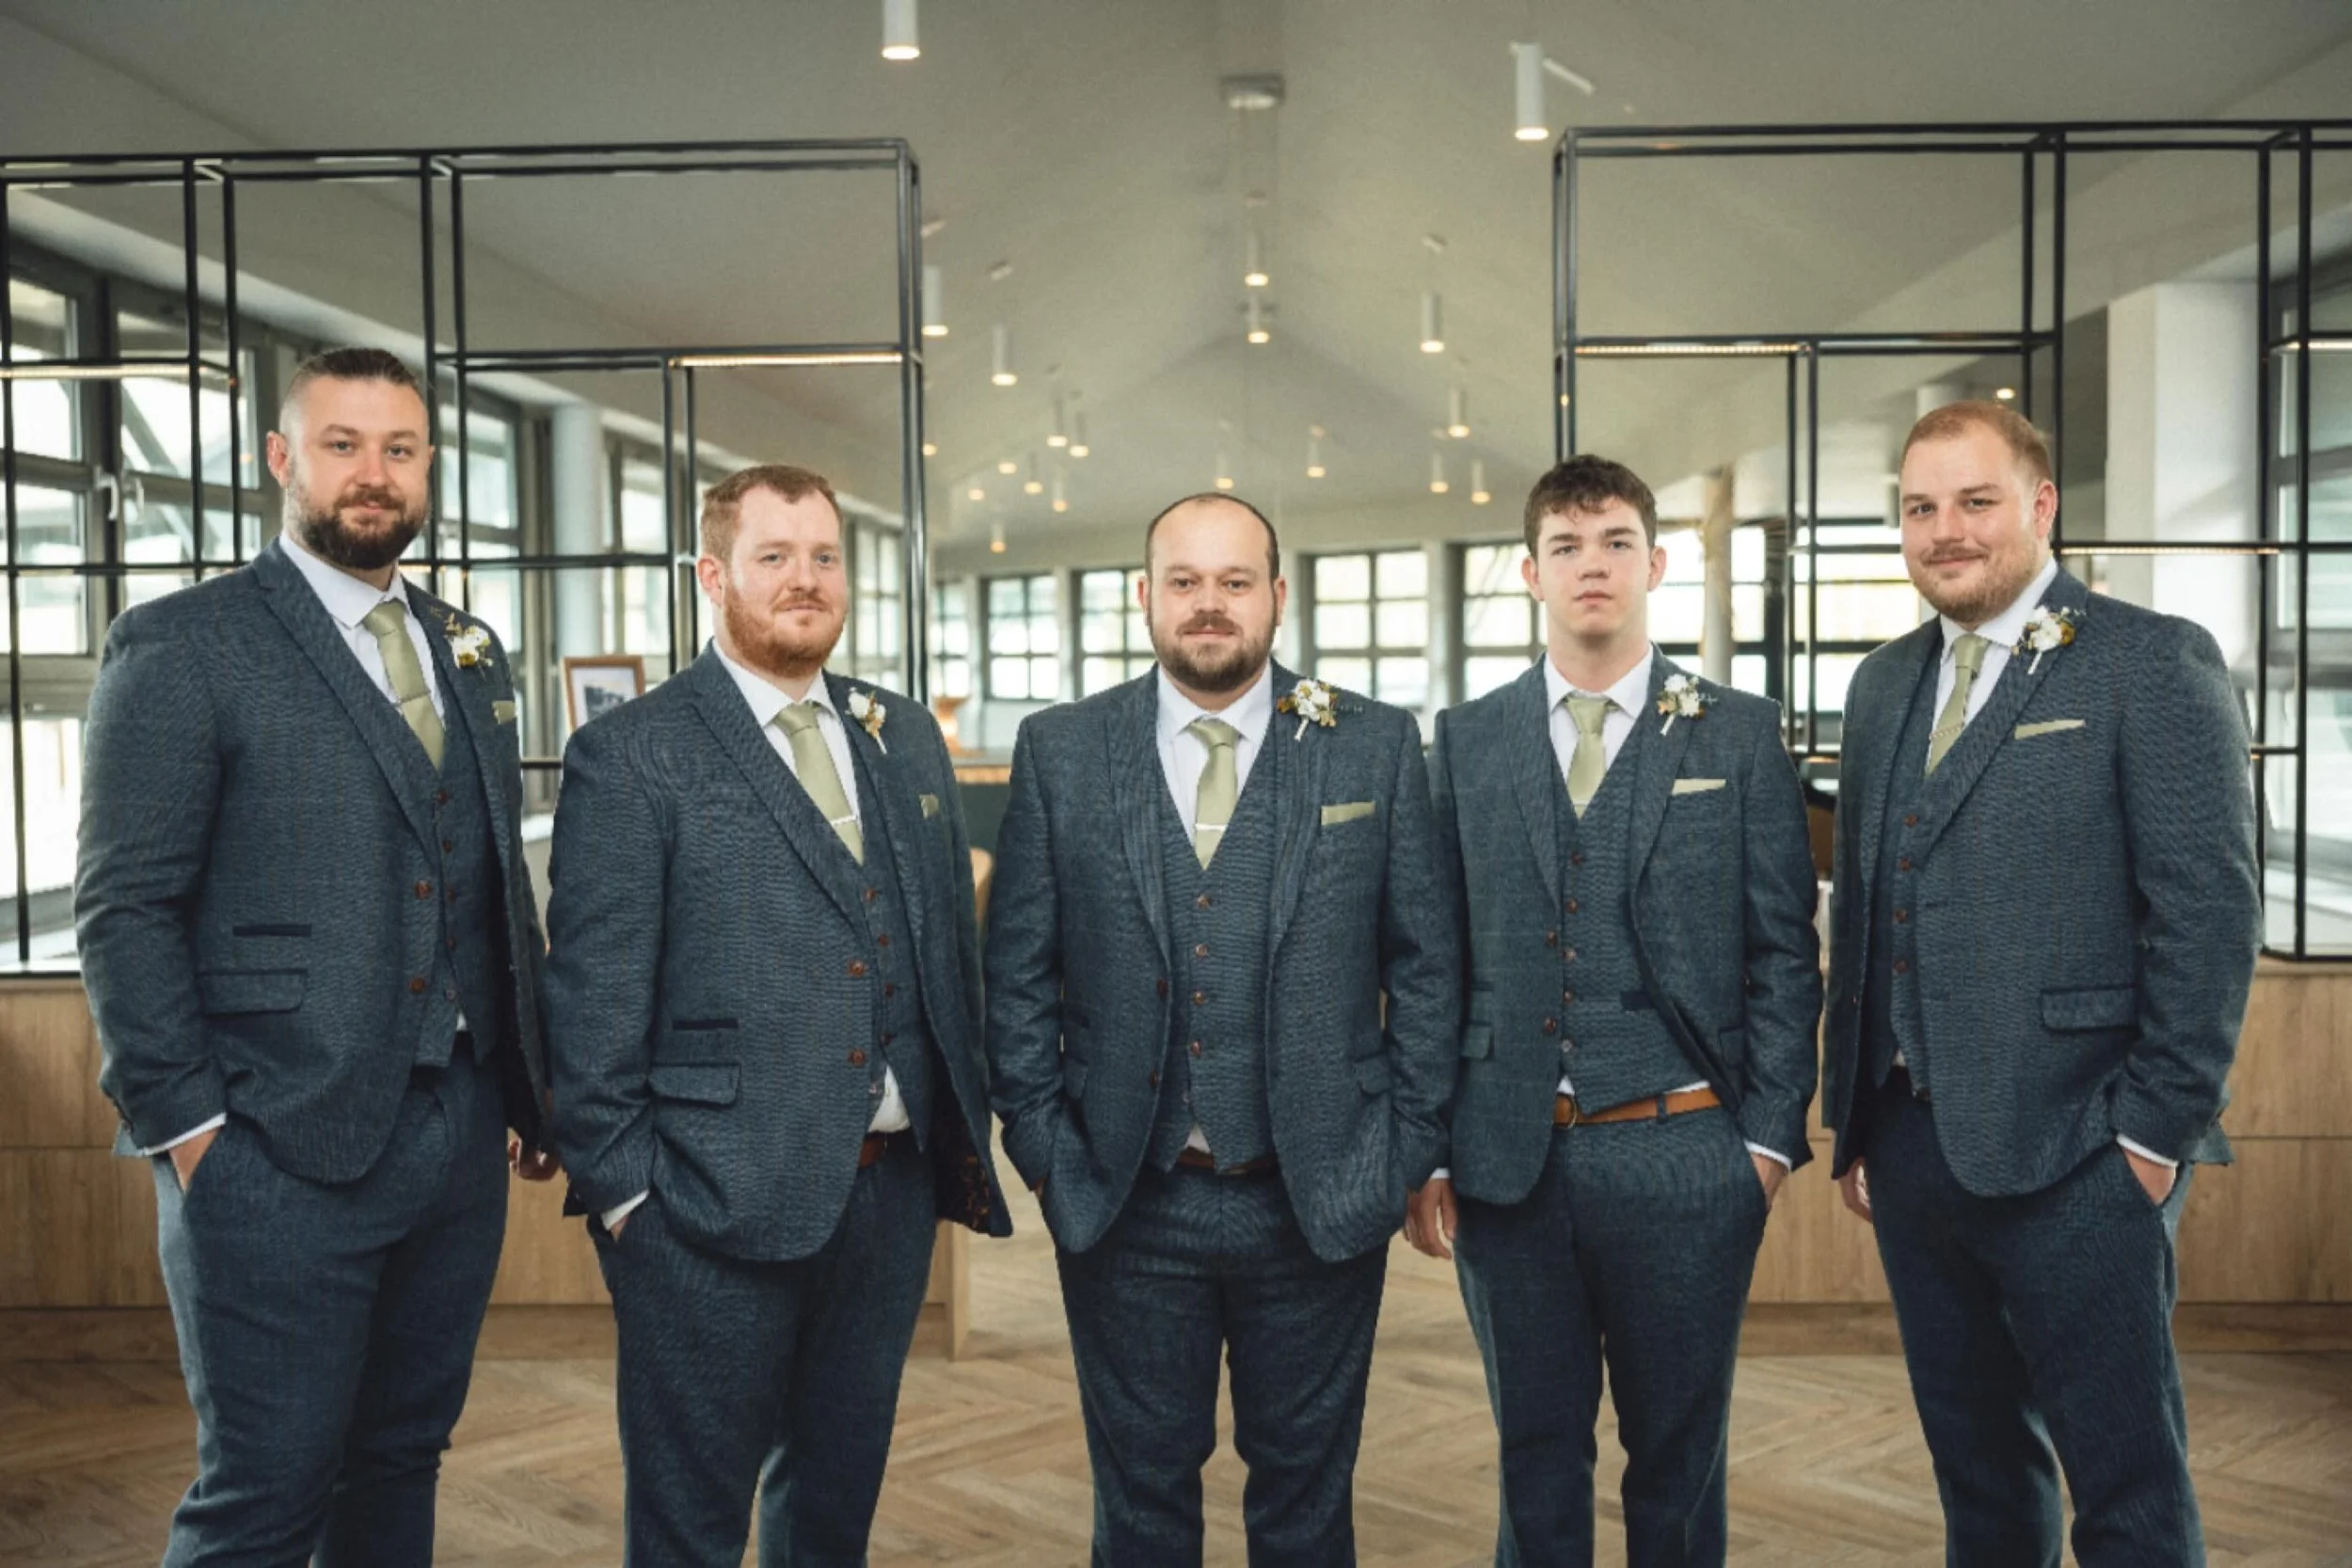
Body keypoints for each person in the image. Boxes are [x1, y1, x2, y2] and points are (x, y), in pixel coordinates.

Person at [76, 346, 559, 1565]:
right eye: (341, 444)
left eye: (399, 448)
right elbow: (123, 908)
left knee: (399, 1462)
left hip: (455, 1139)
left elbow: (491, 874)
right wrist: (192, 1132)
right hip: (271, 1147)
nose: (372, 474)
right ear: (282, 459)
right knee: (262, 1495)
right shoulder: (182, 644)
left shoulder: (472, 647)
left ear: (429, 467)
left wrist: (521, 1077)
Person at [543, 462, 1009, 1567]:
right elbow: (592, 998)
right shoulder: (635, 750)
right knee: (690, 1523)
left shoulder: (901, 731)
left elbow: (945, 944)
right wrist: (628, 1202)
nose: (805, 580)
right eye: (773, 556)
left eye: (824, 557)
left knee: (832, 1505)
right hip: (702, 1211)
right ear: (713, 574)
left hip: (887, 1198)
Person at [1822, 401, 2259, 1567]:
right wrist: (1856, 1117)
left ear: (2041, 505)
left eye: (1974, 500)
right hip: (1913, 1150)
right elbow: (1867, 908)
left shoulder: (2149, 660)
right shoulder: (1880, 686)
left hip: (2083, 1149)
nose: (1944, 530)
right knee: (1978, 1476)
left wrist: (2152, 1136)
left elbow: (2208, 913)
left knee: (2124, 1488)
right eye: (1920, 507)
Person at [984, 492, 1458, 1565]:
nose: (1210, 605)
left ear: (1278, 598)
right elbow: (1015, 972)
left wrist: (1399, 1150)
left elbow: (1425, 968)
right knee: (1140, 1503)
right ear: (1143, 596)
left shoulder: (1373, 744)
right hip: (1124, 1197)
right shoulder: (1060, 749)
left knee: (1305, 1501)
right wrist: (1048, 1155)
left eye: (1235, 581)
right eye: (1185, 581)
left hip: (1318, 1196)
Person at [1412, 455, 1820, 1567]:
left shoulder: (1735, 731)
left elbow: (1783, 948)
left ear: (1656, 561)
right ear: (1532, 572)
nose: (1591, 565)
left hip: (1687, 1148)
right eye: (1565, 546)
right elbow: (1432, 956)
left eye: (1614, 543)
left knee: (1678, 1461)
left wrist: (1766, 1141)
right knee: (1535, 1453)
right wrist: (1429, 1145)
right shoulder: (1468, 736)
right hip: (1509, 1158)